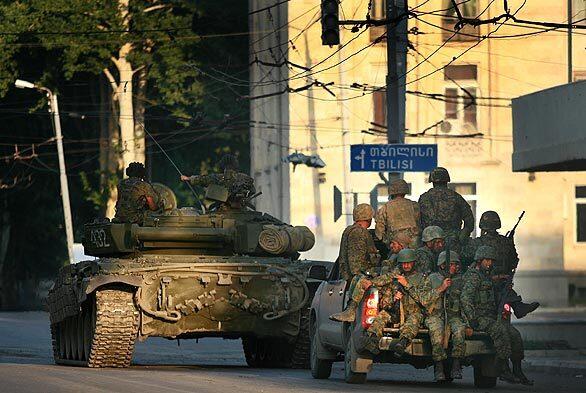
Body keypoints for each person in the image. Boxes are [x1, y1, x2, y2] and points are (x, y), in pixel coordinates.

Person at [367, 249, 450, 358]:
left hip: (414, 313)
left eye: (408, 263)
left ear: (414, 262)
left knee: (413, 321)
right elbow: (384, 303)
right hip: (396, 313)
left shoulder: (423, 279)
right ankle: (373, 341)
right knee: (382, 316)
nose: (406, 266)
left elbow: (423, 300)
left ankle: (402, 343)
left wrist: (407, 285)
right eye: (403, 263)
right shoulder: (395, 280)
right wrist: (394, 299)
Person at [462, 210, 539, 319]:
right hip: (502, 282)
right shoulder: (506, 242)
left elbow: (464, 259)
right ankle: (518, 306)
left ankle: (518, 306)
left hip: (483, 281)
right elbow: (514, 261)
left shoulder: (476, 243)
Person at [460, 245, 520, 384]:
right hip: (479, 318)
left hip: (490, 316)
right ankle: (503, 368)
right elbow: (465, 299)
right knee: (500, 331)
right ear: (480, 260)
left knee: (514, 334)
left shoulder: (485, 276)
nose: (490, 264)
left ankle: (517, 368)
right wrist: (472, 319)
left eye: (491, 261)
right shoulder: (473, 277)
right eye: (487, 260)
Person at [330, 231, 410, 323]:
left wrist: (372, 282)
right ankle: (350, 308)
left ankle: (351, 312)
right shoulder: (394, 255)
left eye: (394, 243)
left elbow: (391, 276)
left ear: (401, 245)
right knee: (358, 277)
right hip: (389, 283)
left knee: (363, 282)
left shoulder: (405, 257)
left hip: (396, 288)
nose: (391, 246)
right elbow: (384, 270)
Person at [328, 204, 379, 322]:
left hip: (353, 275)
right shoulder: (359, 233)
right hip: (360, 275)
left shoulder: (349, 230)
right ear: (369, 218)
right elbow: (356, 262)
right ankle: (351, 310)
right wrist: (364, 273)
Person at [426, 250, 466, 381]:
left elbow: (466, 302)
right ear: (443, 265)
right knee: (436, 332)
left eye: (457, 265)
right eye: (452, 264)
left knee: (459, 330)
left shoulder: (460, 280)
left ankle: (456, 365)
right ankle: (439, 367)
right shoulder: (432, 278)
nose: (456, 267)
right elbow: (424, 299)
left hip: (453, 315)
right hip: (436, 315)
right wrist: (441, 288)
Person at [418, 167, 474, 252]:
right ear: (446, 180)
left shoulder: (424, 198)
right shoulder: (456, 197)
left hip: (430, 243)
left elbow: (418, 221)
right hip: (452, 242)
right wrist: (461, 237)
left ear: (432, 180)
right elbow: (469, 221)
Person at [180, 154, 255, 207]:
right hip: (241, 211)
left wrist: (188, 178)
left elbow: (204, 179)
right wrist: (245, 198)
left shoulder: (218, 178)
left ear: (223, 166)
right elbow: (253, 191)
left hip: (222, 210)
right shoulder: (244, 178)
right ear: (235, 166)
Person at [375, 179, 420, 247]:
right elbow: (419, 223)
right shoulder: (414, 205)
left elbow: (379, 230)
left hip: (396, 245)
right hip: (413, 243)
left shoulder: (386, 207)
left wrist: (386, 242)